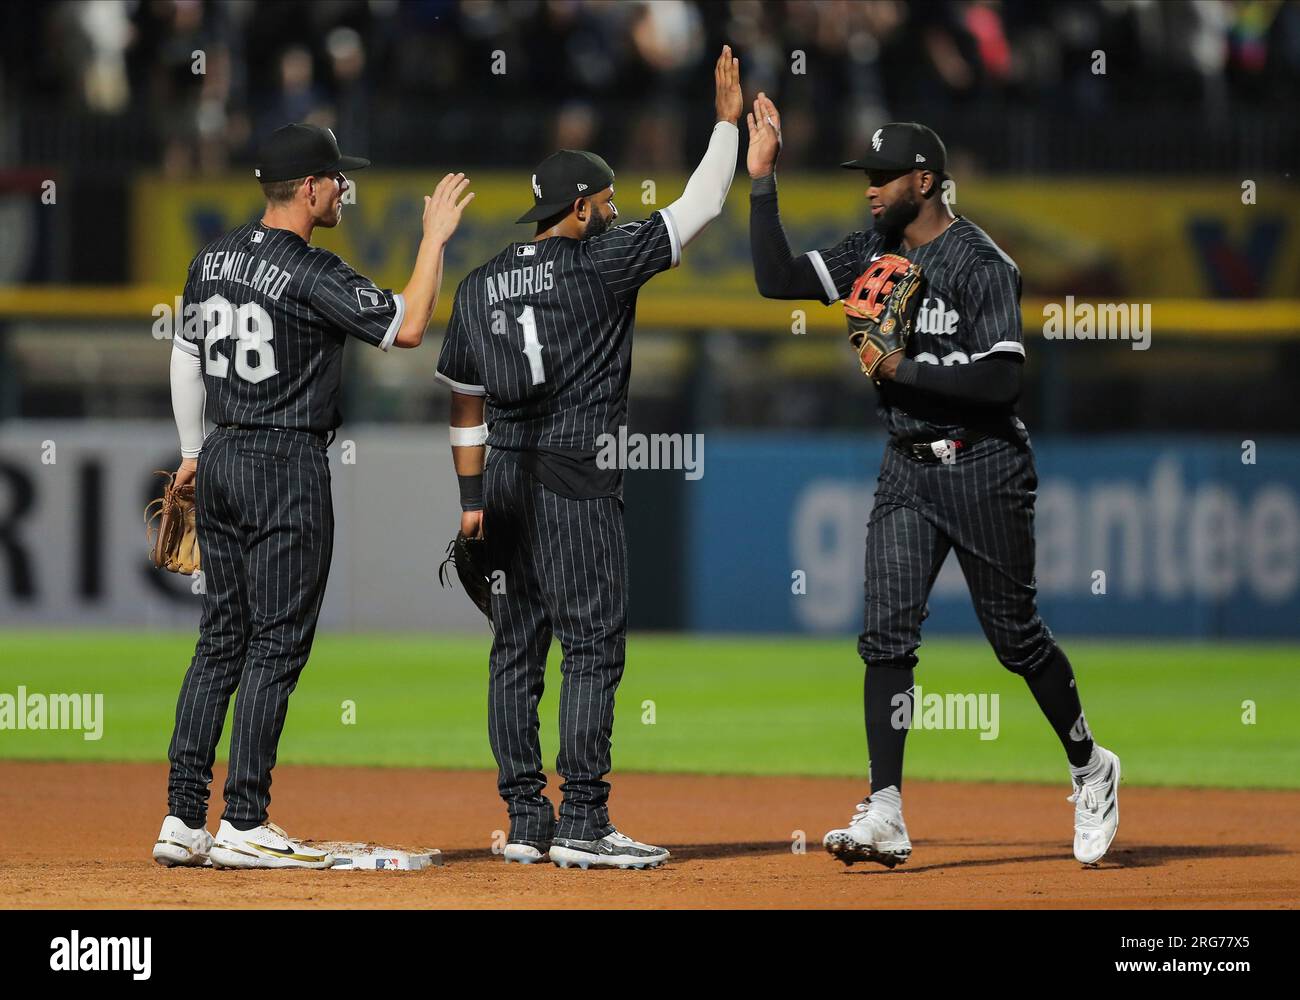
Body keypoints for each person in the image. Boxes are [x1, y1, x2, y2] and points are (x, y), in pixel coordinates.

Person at [746, 98, 1120, 868]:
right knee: (885, 637)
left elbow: (1004, 381)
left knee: (1016, 640)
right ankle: (885, 808)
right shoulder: (872, 246)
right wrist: (761, 180)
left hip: (984, 460)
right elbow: (776, 278)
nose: (871, 188)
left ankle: (1090, 767)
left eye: (884, 176)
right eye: (867, 176)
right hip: (907, 466)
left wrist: (900, 368)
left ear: (926, 179)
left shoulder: (980, 262)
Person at [434, 48, 742, 871]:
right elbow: (705, 201)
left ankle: (528, 820)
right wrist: (725, 121)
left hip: (500, 475)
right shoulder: (603, 260)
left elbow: (463, 401)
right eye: (604, 203)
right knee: (595, 644)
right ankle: (585, 822)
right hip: (575, 473)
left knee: (515, 649)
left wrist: (469, 499)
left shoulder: (478, 284)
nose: (613, 213)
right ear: (577, 211)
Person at [152, 124, 473, 869]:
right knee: (277, 641)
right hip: (285, 461)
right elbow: (411, 325)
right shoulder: (310, 270)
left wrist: (193, 451)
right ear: (306, 189)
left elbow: (185, 354)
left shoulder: (212, 258)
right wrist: (433, 240)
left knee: (220, 639)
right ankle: (246, 820)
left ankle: (181, 817)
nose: (342, 189)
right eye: (334, 179)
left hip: (225, 449)